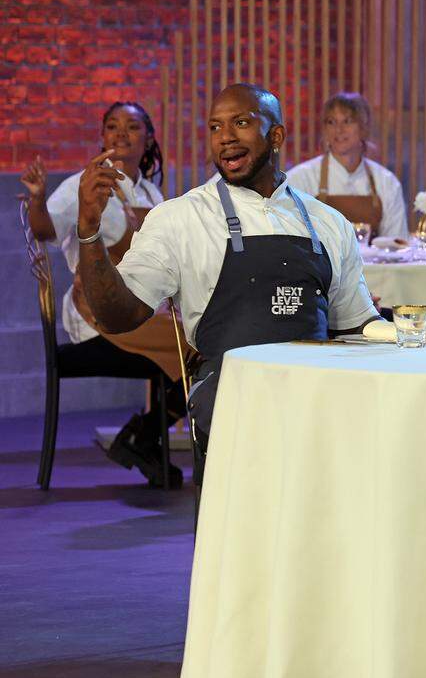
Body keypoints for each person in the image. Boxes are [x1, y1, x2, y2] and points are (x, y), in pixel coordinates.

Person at [75, 84, 380, 481]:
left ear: (276, 136)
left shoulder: (327, 222)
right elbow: (118, 316)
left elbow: (356, 325)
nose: (226, 138)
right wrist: (89, 231)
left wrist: (409, 333)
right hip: (231, 395)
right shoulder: (180, 219)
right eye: (216, 127)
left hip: (314, 394)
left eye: (241, 123)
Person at [21, 102, 190, 487]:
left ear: (148, 139)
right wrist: (35, 199)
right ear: (102, 137)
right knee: (198, 348)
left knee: (206, 341)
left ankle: (143, 437)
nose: (120, 134)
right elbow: (45, 231)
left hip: (144, 310)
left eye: (132, 127)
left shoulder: (151, 193)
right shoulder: (85, 183)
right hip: (96, 313)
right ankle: (143, 438)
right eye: (112, 127)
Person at [285, 92, 408, 238]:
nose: (339, 130)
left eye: (347, 121)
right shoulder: (300, 178)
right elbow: (290, 238)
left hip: (373, 262)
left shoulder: (387, 182)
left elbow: (397, 243)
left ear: (364, 128)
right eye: (331, 122)